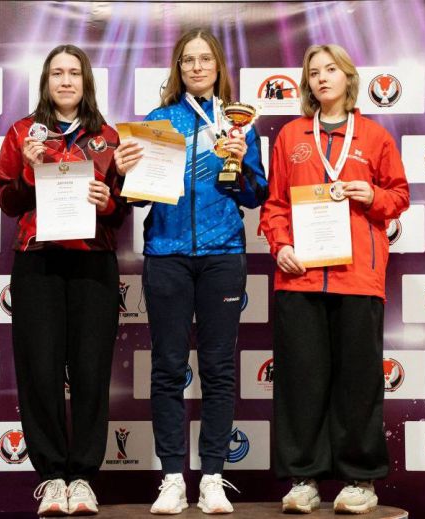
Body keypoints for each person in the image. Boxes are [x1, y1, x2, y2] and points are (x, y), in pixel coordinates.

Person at [112, 27, 268, 515]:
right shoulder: (159, 121)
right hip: (167, 254)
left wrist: (242, 164)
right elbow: (135, 198)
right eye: (188, 60)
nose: (197, 67)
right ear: (178, 69)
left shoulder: (239, 123)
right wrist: (124, 173)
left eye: (205, 59)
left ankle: (214, 477)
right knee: (168, 368)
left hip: (223, 253)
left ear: (218, 66)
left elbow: (255, 195)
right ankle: (172, 479)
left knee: (219, 369)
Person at [259, 44, 410, 514]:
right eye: (313, 72)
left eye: (330, 70)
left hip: (358, 278)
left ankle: (360, 480)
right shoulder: (291, 135)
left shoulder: (375, 136)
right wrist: (281, 245)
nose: (322, 78)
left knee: (358, 383)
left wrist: (372, 194)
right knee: (300, 382)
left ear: (348, 77)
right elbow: (275, 203)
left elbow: (399, 196)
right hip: (300, 277)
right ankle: (303, 479)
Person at [0, 44, 128, 517]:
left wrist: (107, 202)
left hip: (93, 264)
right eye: (57, 73)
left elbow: (120, 211)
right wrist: (29, 173)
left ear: (86, 81)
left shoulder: (108, 137)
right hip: (38, 263)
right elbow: (8, 203)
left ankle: (84, 478)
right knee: (40, 370)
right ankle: (53, 477)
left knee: (91, 370)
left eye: (74, 73)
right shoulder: (22, 133)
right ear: (46, 81)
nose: (66, 81)